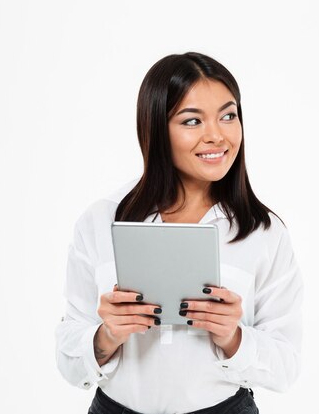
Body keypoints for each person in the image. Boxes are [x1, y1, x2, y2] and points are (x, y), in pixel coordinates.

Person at [55, 52, 303, 414]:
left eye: (228, 116)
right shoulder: (101, 220)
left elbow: (287, 366)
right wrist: (107, 335)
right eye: (192, 121)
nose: (216, 136)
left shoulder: (264, 233)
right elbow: (67, 357)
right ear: (156, 129)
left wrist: (232, 336)